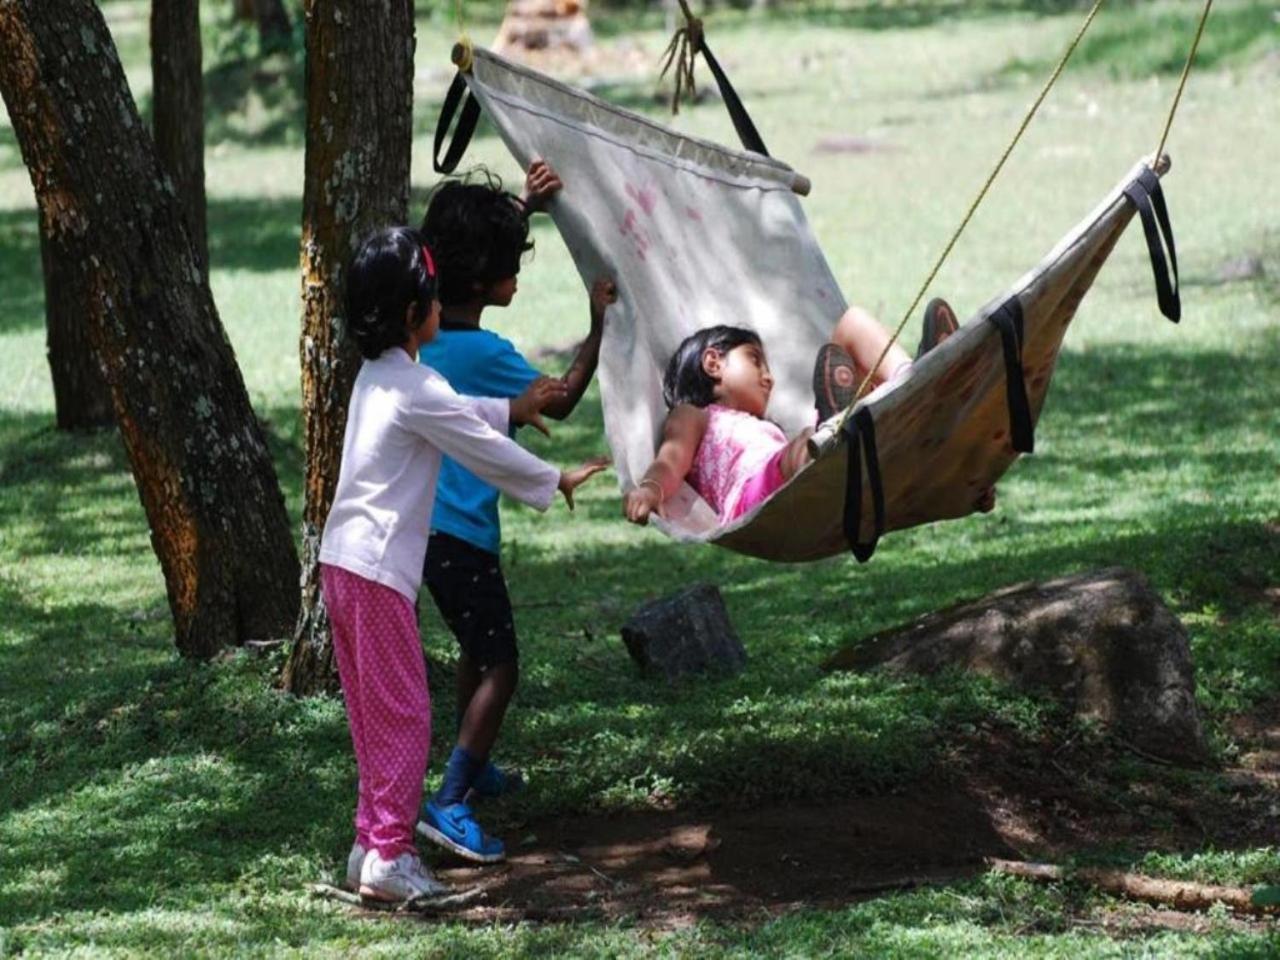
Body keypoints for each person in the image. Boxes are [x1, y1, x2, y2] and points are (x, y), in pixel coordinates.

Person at [319, 226, 606, 901]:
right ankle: (391, 856)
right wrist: (550, 477)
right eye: (431, 297)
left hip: (341, 565)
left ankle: (370, 844)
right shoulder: (416, 386)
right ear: (414, 313)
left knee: (371, 712)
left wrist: (509, 407)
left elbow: (454, 414)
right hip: (377, 574)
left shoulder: (382, 375)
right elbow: (475, 443)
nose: (440, 306)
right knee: (404, 712)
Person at [414, 162, 615, 864]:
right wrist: (598, 327)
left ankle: (478, 760)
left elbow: (467, 256)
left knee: (475, 647)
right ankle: (451, 798)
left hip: (430, 537)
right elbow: (556, 398)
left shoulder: (424, 338)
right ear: (479, 282)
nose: (517, 277)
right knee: (502, 668)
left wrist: (520, 209)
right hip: (462, 542)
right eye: (509, 266)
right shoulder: (486, 355)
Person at [624, 299, 993, 526]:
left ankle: (914, 386)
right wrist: (650, 489)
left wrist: (960, 490)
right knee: (807, 444)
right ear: (712, 363)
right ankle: (867, 417)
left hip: (810, 474)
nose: (769, 377)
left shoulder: (767, 431)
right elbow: (670, 460)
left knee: (852, 323)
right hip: (758, 499)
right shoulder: (695, 415)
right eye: (756, 361)